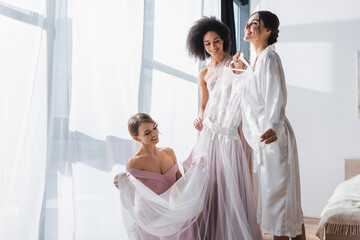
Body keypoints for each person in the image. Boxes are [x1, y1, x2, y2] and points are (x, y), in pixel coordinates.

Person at [228, 11, 306, 240]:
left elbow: (276, 96)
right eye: (247, 24)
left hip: (273, 135)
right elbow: (248, 98)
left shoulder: (270, 58)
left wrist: (274, 126)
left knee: (278, 201)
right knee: (283, 199)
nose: (247, 27)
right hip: (265, 137)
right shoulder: (257, 61)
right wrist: (238, 73)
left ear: (268, 31)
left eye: (254, 24)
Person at [184, 16, 263, 240]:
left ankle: (235, 231)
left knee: (234, 183)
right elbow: (204, 105)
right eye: (207, 44)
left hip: (233, 132)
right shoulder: (203, 73)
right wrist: (199, 121)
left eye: (216, 41)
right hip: (209, 132)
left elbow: (245, 92)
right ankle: (214, 230)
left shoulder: (234, 63)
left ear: (224, 40)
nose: (212, 47)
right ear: (201, 45)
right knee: (211, 181)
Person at [113, 113, 197, 239]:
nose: (154, 133)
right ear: (136, 138)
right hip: (146, 224)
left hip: (167, 220)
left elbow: (182, 185)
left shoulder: (169, 152)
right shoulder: (135, 162)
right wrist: (121, 184)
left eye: (155, 127)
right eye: (147, 132)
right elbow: (129, 196)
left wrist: (194, 171)